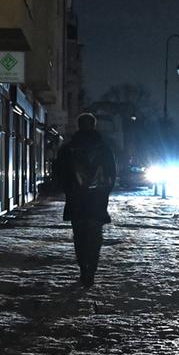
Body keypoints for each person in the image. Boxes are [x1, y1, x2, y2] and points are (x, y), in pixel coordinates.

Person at [53, 112, 116, 286]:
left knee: (79, 236)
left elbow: (59, 173)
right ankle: (92, 269)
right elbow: (111, 174)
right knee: (95, 236)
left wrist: (68, 190)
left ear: (78, 126)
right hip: (97, 200)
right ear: (94, 125)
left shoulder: (68, 149)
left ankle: (83, 268)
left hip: (77, 200)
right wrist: (104, 192)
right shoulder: (104, 148)